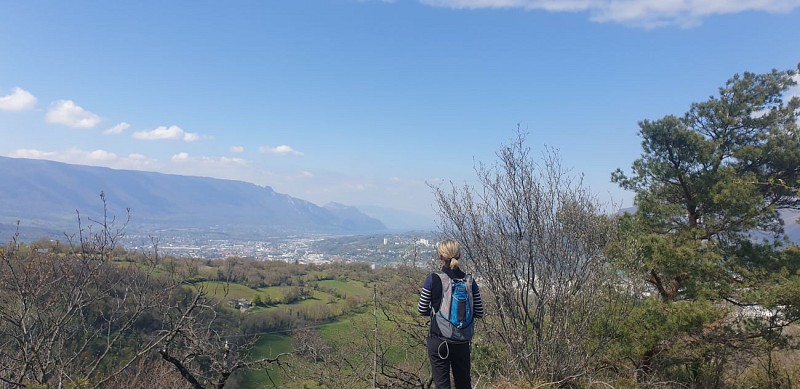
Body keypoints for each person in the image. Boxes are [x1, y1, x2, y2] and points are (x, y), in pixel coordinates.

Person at [417, 239, 484, 388]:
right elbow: (479, 312)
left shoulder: (433, 279)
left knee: (442, 385)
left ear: (440, 257)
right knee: (464, 383)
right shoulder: (469, 281)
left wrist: (437, 314)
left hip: (439, 339)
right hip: (462, 340)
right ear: (459, 255)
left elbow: (422, 309)